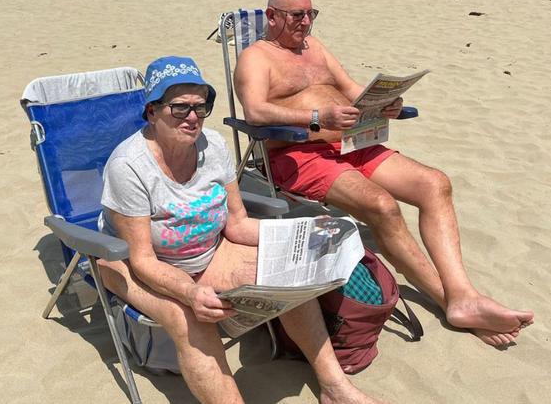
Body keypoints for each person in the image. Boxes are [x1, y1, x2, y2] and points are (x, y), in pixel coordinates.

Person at [233, 0, 535, 348]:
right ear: (271, 16)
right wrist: (315, 115)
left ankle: (463, 292)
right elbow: (255, 111)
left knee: (435, 184)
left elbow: (349, 88)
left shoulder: (315, 48)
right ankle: (449, 300)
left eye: (311, 15)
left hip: (352, 142)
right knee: (382, 206)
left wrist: (388, 102)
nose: (306, 23)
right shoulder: (256, 57)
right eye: (298, 16)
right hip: (300, 155)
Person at [98, 55, 382, 404]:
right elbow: (141, 259)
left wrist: (305, 232)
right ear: (152, 111)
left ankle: (335, 387)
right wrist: (189, 292)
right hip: (134, 266)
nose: (192, 118)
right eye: (179, 108)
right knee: (187, 317)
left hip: (211, 251)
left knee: (290, 273)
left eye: (201, 107)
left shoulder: (213, 146)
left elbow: (237, 224)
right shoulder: (129, 167)